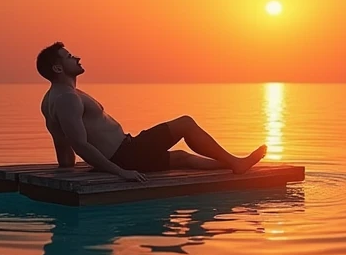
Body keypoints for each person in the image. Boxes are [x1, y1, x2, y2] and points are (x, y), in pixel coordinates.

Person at [37, 41, 267, 184]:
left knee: (181, 158)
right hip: (125, 156)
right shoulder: (68, 98)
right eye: (69, 57)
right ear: (58, 68)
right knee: (185, 123)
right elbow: (79, 144)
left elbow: (61, 138)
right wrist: (120, 172)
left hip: (127, 152)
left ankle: (235, 163)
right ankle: (237, 163)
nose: (76, 57)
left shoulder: (51, 99)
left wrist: (65, 167)